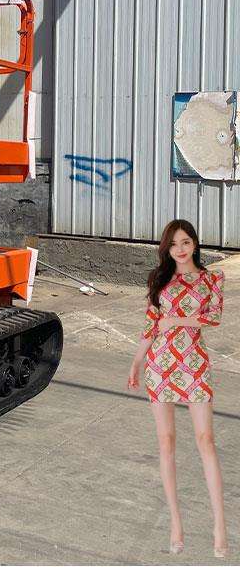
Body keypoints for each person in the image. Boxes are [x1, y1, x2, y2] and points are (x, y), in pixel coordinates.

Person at [127, 219, 227, 557]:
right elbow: (150, 324)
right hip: (160, 366)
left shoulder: (212, 278)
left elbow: (214, 317)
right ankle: (175, 524)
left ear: (195, 244)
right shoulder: (159, 279)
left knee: (206, 441)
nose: (180, 249)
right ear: (166, 249)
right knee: (166, 442)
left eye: (185, 242)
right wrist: (137, 361)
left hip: (195, 364)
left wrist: (178, 320)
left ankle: (219, 525)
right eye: (173, 244)